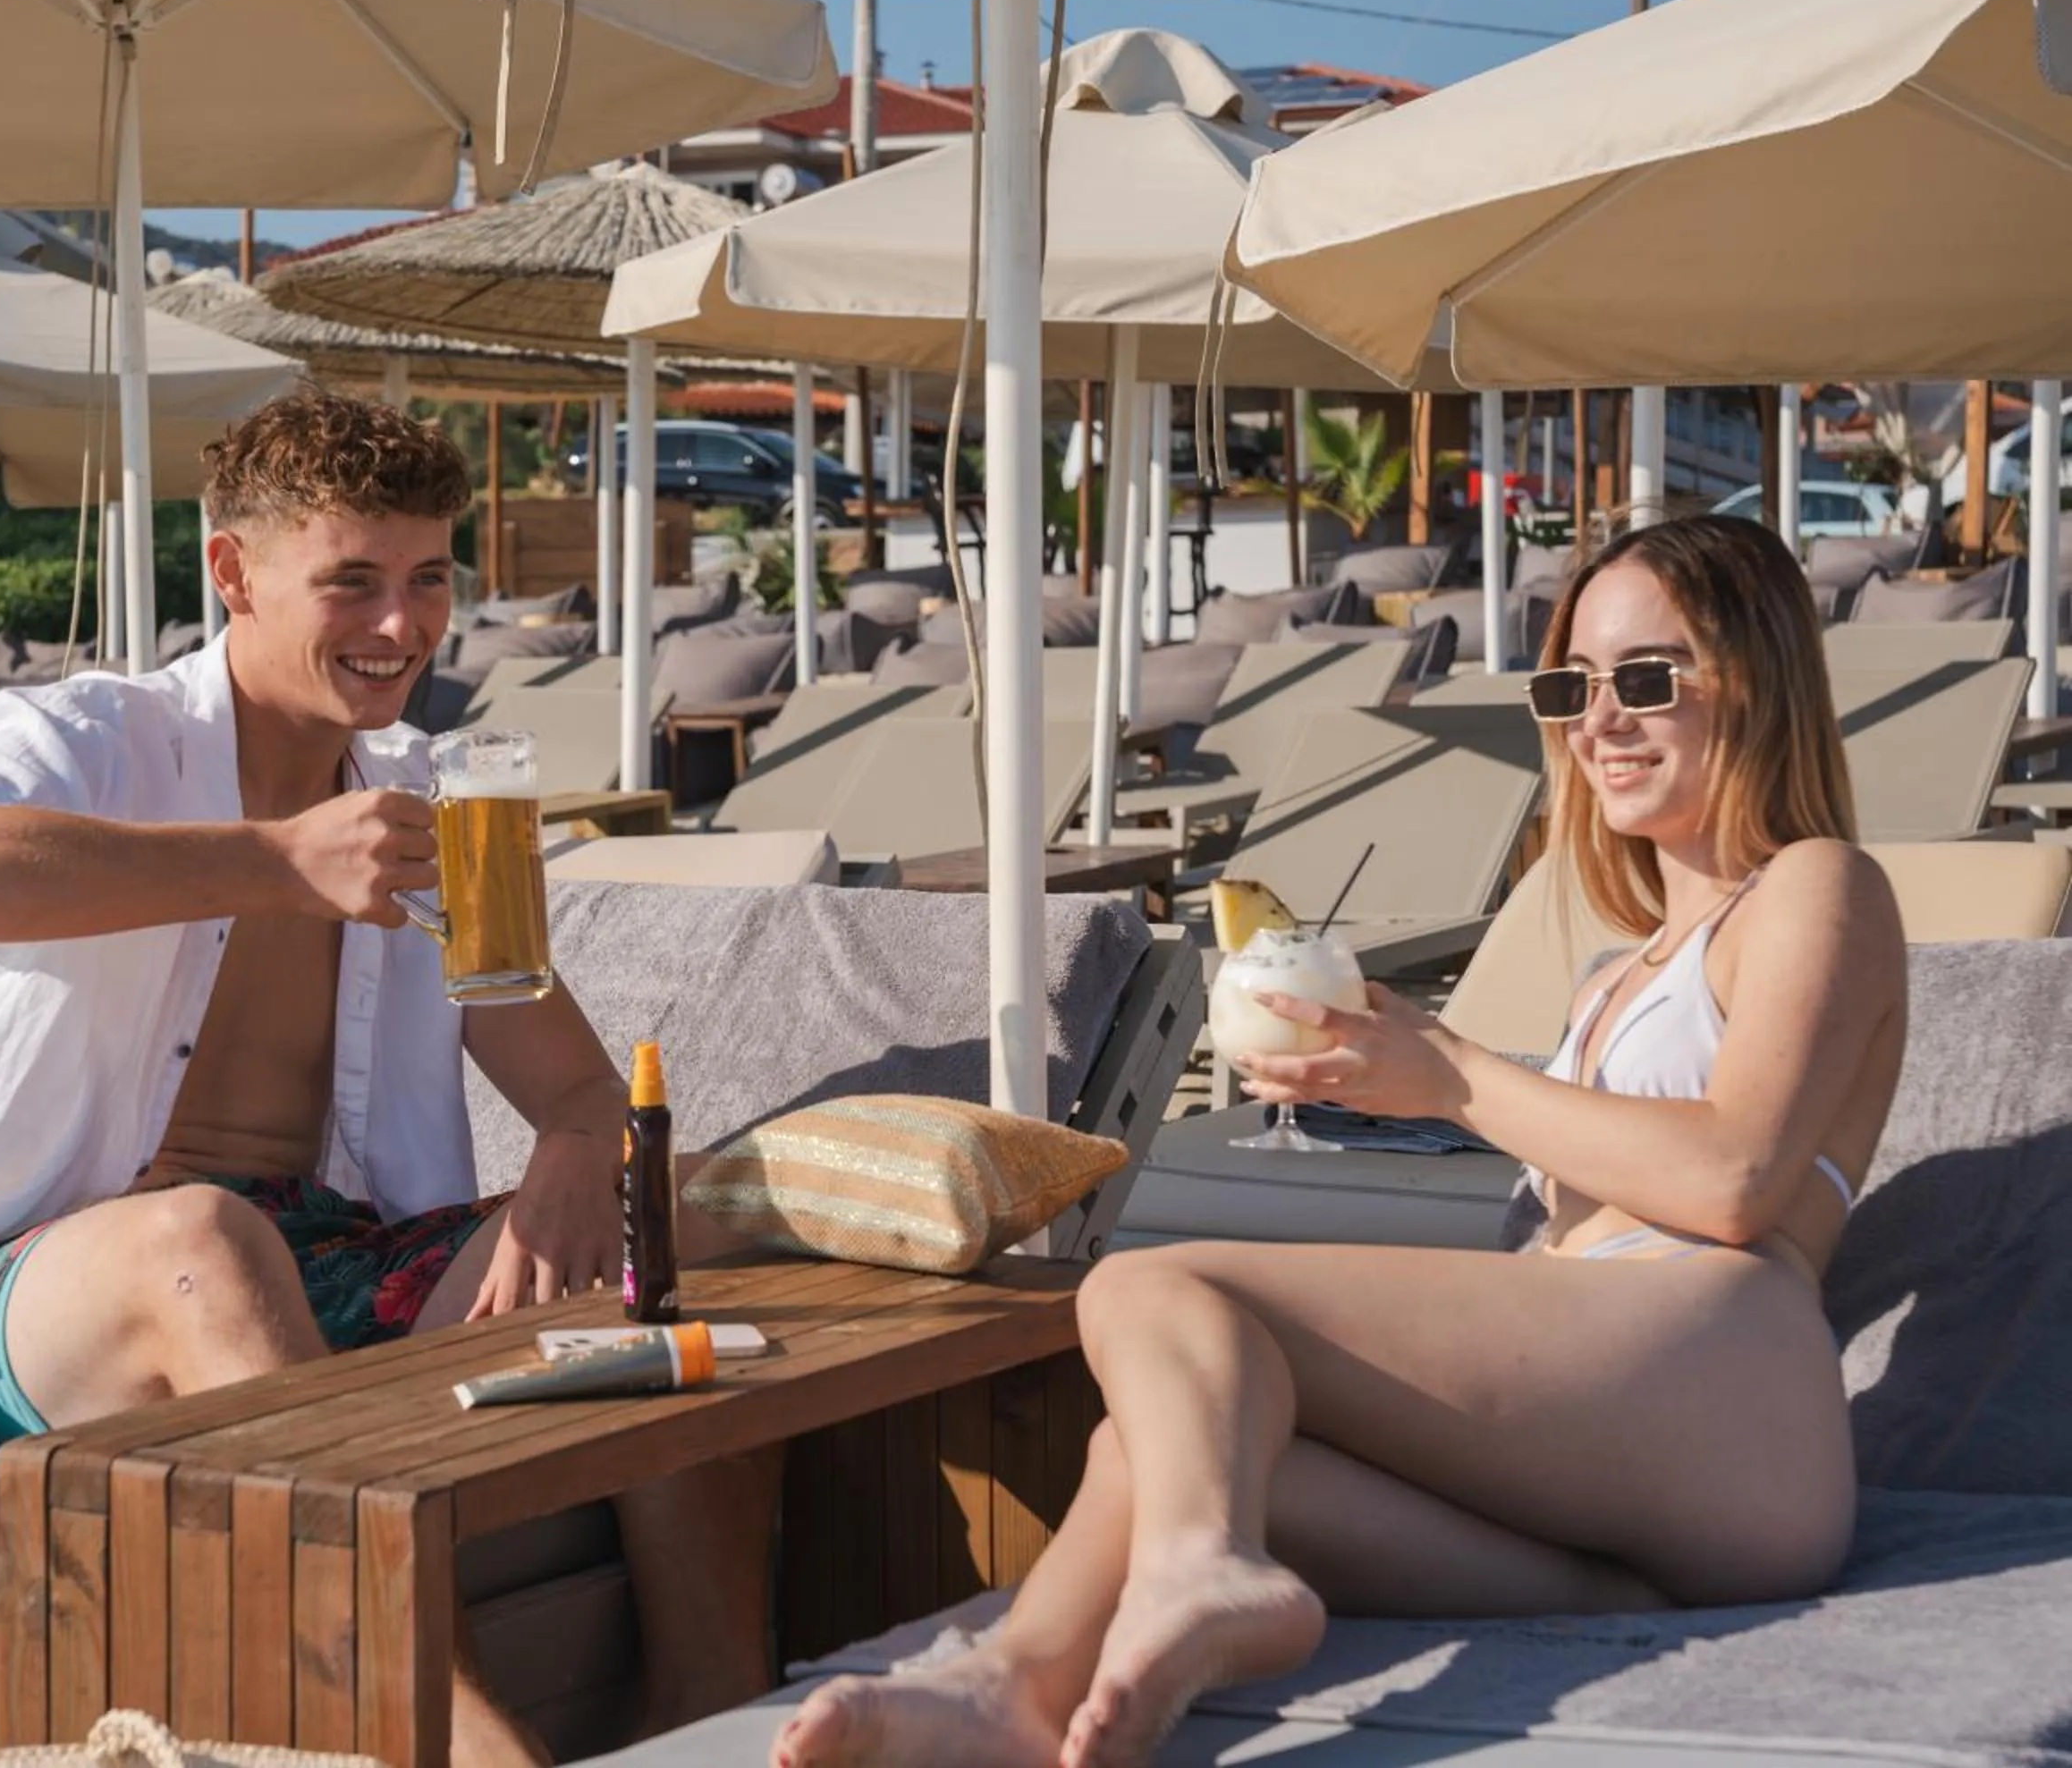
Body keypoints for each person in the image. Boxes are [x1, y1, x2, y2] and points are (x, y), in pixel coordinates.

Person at [0, 392, 772, 1765]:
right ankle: (459, 1746)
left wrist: (583, 1156)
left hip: (300, 1263)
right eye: (352, 583)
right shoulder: (93, 734)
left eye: (429, 580)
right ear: (234, 573)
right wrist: (274, 861)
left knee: (667, 1210)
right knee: (204, 1241)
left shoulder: (425, 819)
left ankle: (709, 1710)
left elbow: (575, 1088)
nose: (401, 628)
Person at [774, 513, 1905, 1768]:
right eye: (1569, 685)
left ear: (1756, 678)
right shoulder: (1609, 974)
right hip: (1638, 1458)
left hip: (1729, 1370)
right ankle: (1011, 1689)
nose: (1599, 721)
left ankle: (1201, 1574)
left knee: (1160, 1282)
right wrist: (1400, 1083)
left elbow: (1733, 1177)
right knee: (1179, 1431)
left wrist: (1455, 1074)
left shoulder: (1816, 886)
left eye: (1647, 679)